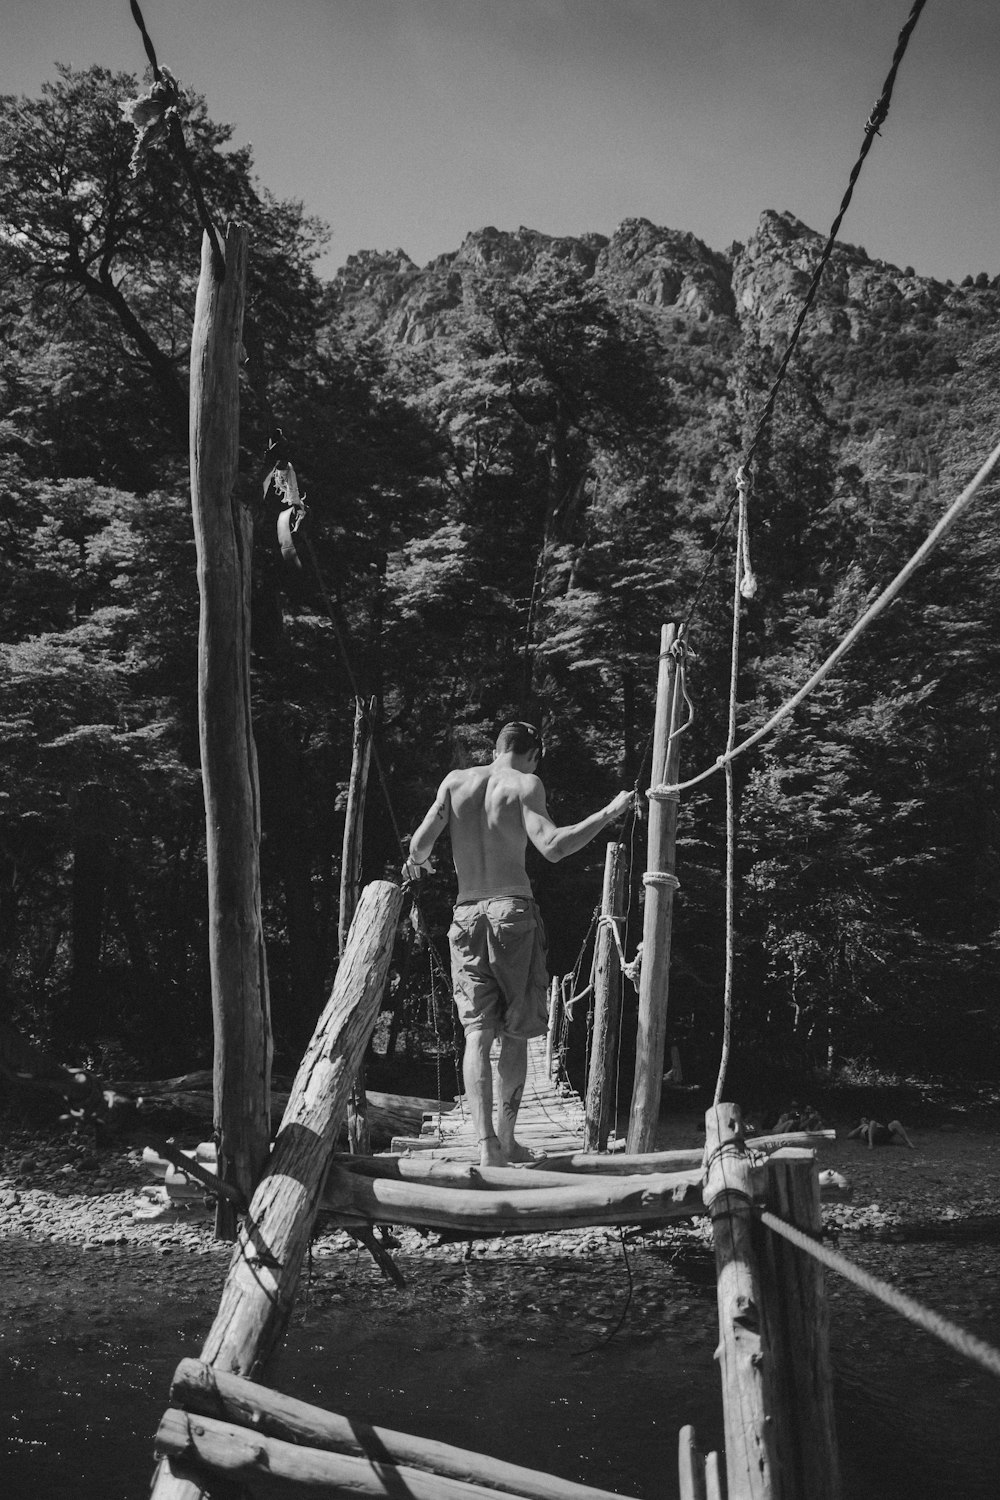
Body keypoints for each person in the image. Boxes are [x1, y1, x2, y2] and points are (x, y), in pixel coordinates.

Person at [403, 721, 632, 1168]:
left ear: (496, 748)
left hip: (466, 914)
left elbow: (419, 847)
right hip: (512, 914)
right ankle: (507, 1142)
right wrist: (609, 812)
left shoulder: (454, 782)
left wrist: (419, 866)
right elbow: (553, 847)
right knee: (515, 1033)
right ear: (534, 753)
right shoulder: (525, 784)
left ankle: (485, 1145)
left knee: (476, 1033)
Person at [847, 1116, 915, 1149]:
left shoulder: (875, 1123)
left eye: (866, 1118)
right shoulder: (862, 1126)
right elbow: (849, 1136)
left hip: (882, 1133)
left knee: (895, 1122)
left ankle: (909, 1143)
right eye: (863, 1119)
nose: (865, 1119)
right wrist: (859, 1128)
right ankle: (871, 1144)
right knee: (873, 1122)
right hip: (872, 1136)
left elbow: (884, 1128)